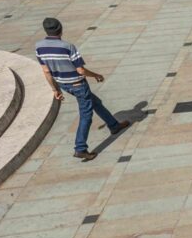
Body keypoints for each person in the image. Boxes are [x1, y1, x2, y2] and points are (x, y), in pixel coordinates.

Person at [35, 17, 129, 161]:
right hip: (78, 84)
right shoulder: (68, 47)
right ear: (60, 28)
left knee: (95, 102)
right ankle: (80, 148)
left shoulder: (39, 47)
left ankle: (113, 125)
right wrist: (96, 75)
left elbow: (46, 71)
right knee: (86, 115)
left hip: (63, 84)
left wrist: (55, 90)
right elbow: (81, 71)